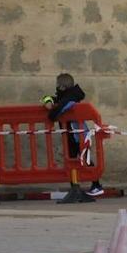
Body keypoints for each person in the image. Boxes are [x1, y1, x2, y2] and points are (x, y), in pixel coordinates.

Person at [44, 72, 101, 200]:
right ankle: (75, 187)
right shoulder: (66, 96)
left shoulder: (70, 99)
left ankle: (96, 185)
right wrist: (48, 100)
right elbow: (51, 98)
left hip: (78, 134)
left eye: (58, 85)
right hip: (71, 133)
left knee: (84, 159)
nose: (56, 87)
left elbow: (57, 112)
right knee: (72, 160)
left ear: (62, 86)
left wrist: (52, 111)